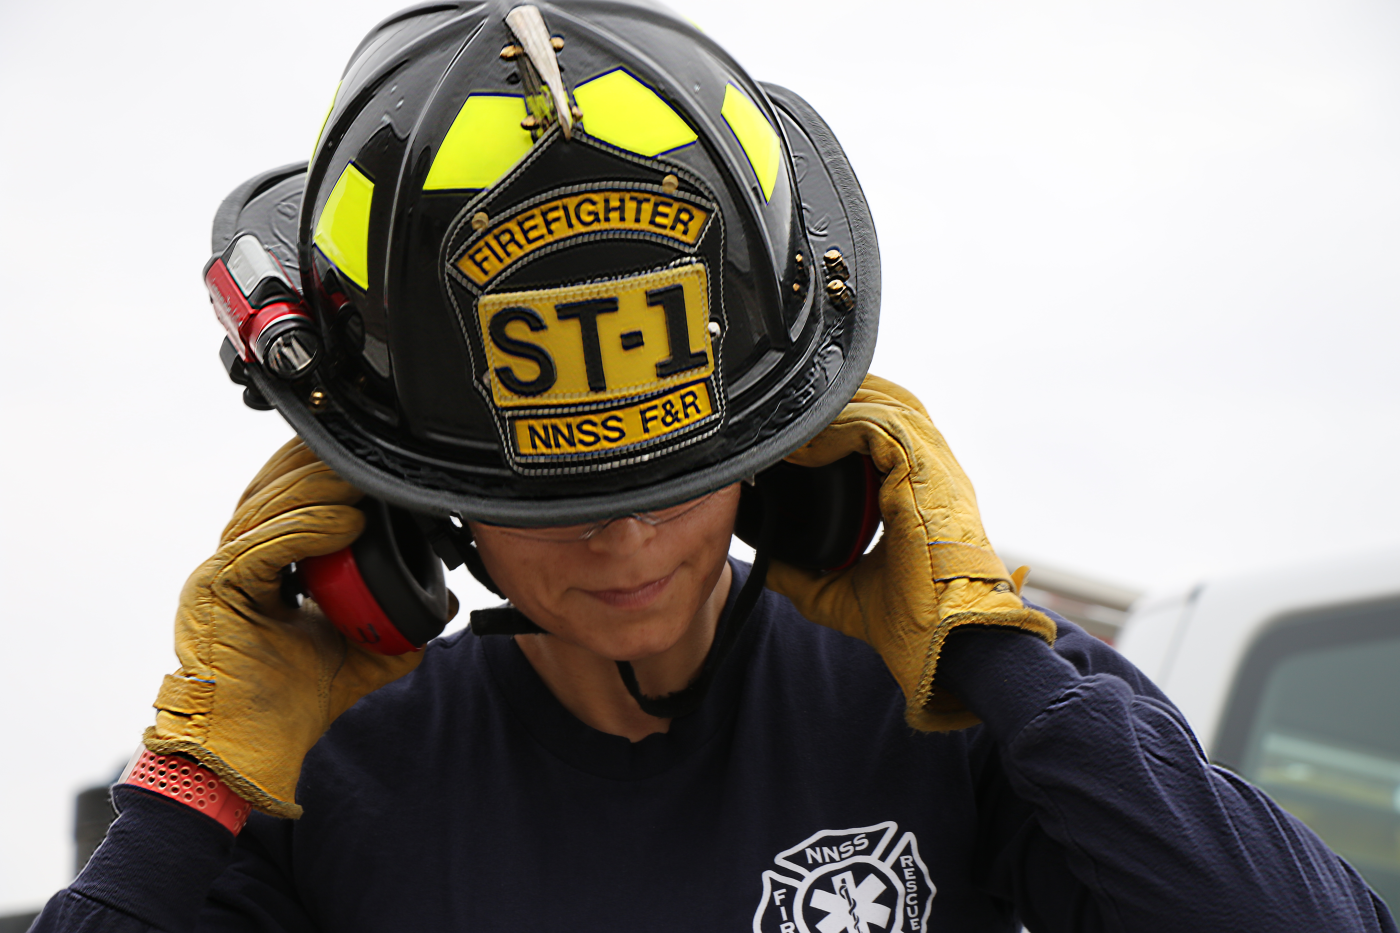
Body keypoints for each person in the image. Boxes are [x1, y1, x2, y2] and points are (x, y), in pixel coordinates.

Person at [31, 1, 1396, 930]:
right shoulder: (323, 776)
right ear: (408, 500)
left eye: (672, 480)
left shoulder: (955, 708)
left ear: (798, 453)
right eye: (555, 502)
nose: (622, 547)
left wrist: (998, 658)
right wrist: (195, 781)